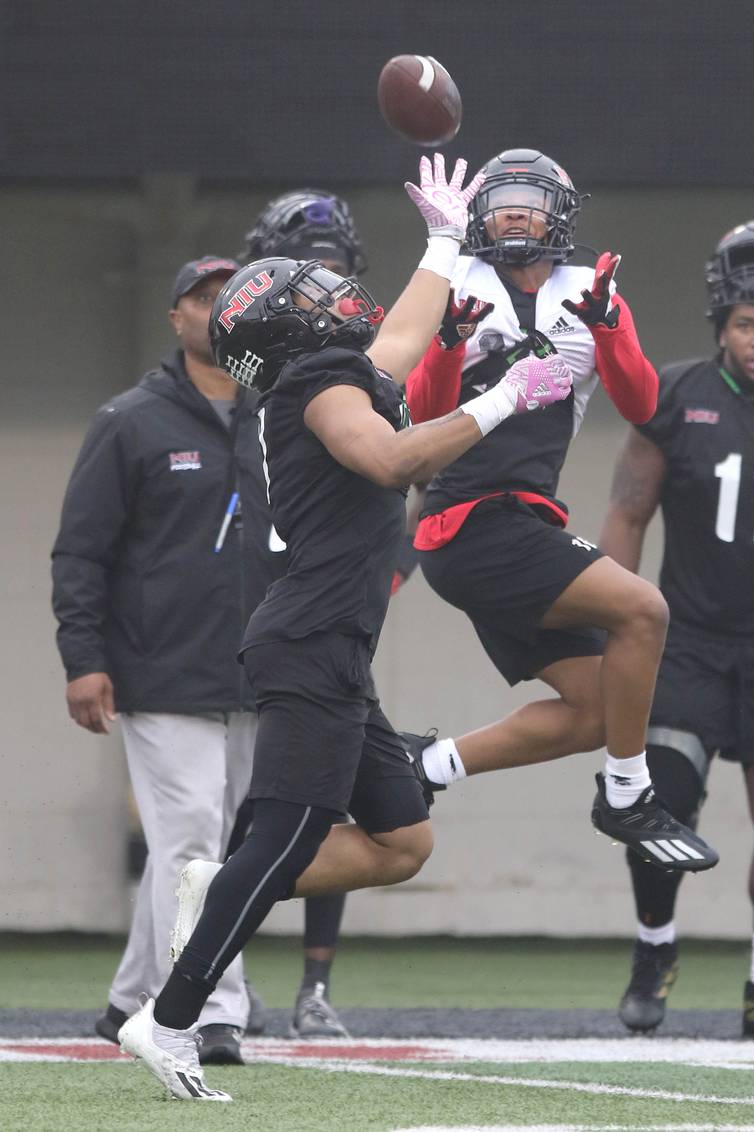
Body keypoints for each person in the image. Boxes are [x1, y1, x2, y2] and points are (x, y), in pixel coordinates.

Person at [116, 152, 577, 1102]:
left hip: (332, 643)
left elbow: (405, 334)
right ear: (294, 325)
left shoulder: (330, 367)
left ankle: (221, 884)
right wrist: (505, 396)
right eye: (316, 291)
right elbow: (399, 458)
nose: (338, 293)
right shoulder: (319, 390)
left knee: (403, 839)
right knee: (286, 838)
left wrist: (446, 242)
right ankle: (166, 1021)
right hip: (312, 639)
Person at [402, 148, 719, 875]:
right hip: (468, 519)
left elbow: (643, 407)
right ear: (479, 215)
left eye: (531, 198)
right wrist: (449, 340)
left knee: (599, 710)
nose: (515, 210)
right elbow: (420, 414)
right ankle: (628, 793)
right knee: (644, 611)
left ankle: (429, 764)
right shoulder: (453, 281)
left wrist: (608, 328)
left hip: (525, 523)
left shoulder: (590, 291)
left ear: (561, 214)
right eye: (502, 198)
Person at [51, 254, 272, 1065]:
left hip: (262, 672)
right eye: (202, 299)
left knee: (221, 843)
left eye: (231, 299)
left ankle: (125, 1000)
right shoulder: (129, 420)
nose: (218, 311)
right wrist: (84, 657)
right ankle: (213, 1008)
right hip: (160, 674)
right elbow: (80, 552)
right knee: (191, 843)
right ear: (175, 318)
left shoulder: (281, 411)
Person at [599, 218, 754, 1038]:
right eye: (745, 325)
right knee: (665, 802)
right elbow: (626, 511)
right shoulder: (676, 396)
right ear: (721, 328)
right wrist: (612, 617)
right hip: (688, 638)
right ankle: (655, 949)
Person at [232, 187, 385, 1041]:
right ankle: (220, 978)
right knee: (269, 803)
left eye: (335, 275)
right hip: (282, 604)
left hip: (336, 602)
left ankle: (313, 986)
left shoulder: (359, 362)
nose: (327, 292)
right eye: (308, 277)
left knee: (323, 802)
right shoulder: (272, 375)